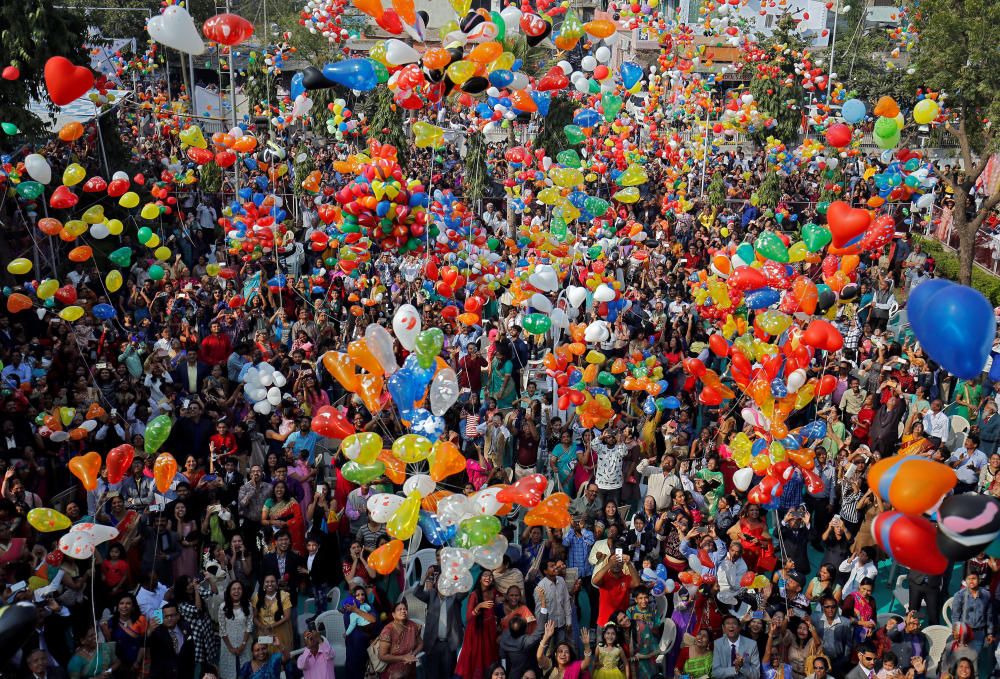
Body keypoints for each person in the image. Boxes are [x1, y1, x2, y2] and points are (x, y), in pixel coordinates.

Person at [413, 565, 464, 679]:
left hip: (448, 644)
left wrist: (456, 575)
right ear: (436, 583)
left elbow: (464, 591)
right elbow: (417, 593)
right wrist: (425, 576)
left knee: (447, 674)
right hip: (433, 643)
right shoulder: (431, 595)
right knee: (432, 675)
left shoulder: (454, 597)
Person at [456, 570, 501, 679]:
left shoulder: (494, 592)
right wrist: (479, 606)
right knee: (478, 659)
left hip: (490, 630)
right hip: (477, 632)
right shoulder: (474, 595)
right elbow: (468, 617)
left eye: (491, 576)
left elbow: (498, 605)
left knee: (489, 657)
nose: (488, 578)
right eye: (485, 575)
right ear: (480, 579)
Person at [147, 603, 195, 679]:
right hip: (163, 675)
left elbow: (191, 651)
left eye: (172, 615)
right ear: (162, 617)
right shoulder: (156, 632)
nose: (169, 618)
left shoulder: (186, 626)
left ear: (178, 616)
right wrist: (149, 632)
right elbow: (144, 644)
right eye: (166, 616)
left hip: (184, 674)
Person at [376, 600, 423, 679]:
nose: (403, 611)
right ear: (393, 615)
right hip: (392, 672)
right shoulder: (388, 630)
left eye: (405, 609)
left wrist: (412, 655)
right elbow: (382, 656)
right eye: (399, 609)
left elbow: (420, 644)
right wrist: (403, 657)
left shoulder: (412, 625)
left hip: (410, 669)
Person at [592, 552, 640, 627]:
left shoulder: (626, 578)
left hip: (622, 622)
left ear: (623, 564)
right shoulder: (604, 577)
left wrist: (629, 563)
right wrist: (609, 564)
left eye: (619, 561)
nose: (616, 564)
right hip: (604, 622)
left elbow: (636, 583)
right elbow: (595, 581)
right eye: (614, 561)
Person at [218, 581, 254, 679]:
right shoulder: (223, 607)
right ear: (229, 591)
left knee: (245, 672)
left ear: (242, 591)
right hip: (228, 645)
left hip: (245, 644)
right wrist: (230, 648)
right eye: (233, 589)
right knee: (229, 673)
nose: (236, 591)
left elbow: (249, 626)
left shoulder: (248, 605)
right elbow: (222, 629)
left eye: (239, 589)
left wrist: (243, 645)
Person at [712, 614, 761, 679]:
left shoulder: (752, 644)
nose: (731, 626)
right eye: (728, 623)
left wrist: (742, 666)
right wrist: (735, 669)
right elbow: (715, 673)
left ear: (739, 627)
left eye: (734, 623)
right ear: (723, 628)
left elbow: (756, 675)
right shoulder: (718, 643)